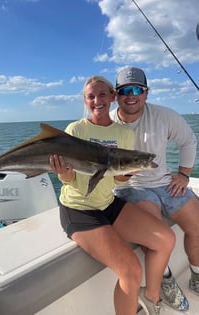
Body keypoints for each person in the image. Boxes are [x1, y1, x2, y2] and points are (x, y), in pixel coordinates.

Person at [50, 75, 175, 315]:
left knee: (166, 239)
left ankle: (151, 298)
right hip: (79, 210)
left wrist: (127, 173)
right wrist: (63, 174)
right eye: (91, 96)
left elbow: (117, 178)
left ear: (113, 97)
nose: (97, 100)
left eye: (102, 94)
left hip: (108, 203)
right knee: (131, 270)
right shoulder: (76, 130)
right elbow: (68, 180)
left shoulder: (124, 133)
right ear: (85, 101)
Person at [110, 66, 199, 312]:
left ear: (146, 93)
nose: (131, 95)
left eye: (137, 89)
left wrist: (183, 174)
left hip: (164, 181)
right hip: (131, 186)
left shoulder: (164, 115)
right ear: (116, 95)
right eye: (124, 90)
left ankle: (197, 277)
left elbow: (188, 140)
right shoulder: (108, 126)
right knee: (156, 235)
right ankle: (165, 283)